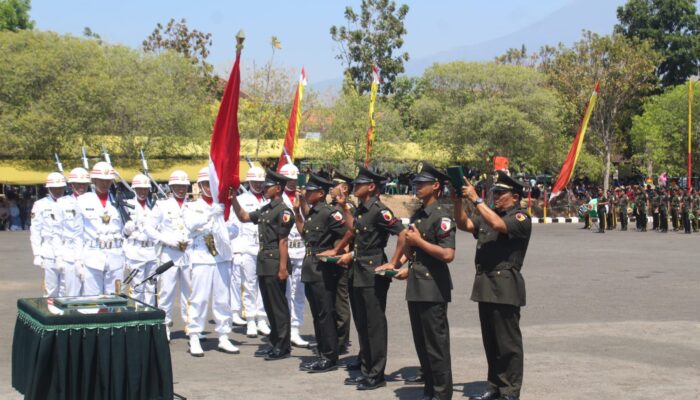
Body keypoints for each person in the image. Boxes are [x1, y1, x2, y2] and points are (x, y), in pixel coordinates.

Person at [319, 165, 406, 391]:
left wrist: (395, 262)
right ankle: (367, 368)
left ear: (371, 187)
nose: (354, 187)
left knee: (374, 324)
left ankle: (377, 374)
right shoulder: (361, 209)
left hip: (373, 270)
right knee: (362, 323)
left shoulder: (379, 210)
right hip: (358, 269)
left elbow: (403, 233)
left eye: (358, 184)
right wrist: (345, 207)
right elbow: (353, 230)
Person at [377, 162, 456, 400]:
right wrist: (397, 265)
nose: (417, 187)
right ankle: (430, 390)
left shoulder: (441, 216)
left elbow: (447, 254)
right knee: (422, 343)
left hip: (434, 288)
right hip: (418, 286)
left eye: (422, 183)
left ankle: (442, 394)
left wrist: (419, 242)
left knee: (436, 345)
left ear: (435, 186)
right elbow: (413, 252)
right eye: (416, 183)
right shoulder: (420, 214)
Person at [453, 170, 531, 400]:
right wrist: (459, 199)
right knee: (492, 342)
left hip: (505, 285)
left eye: (501, 193)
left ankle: (510, 391)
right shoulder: (489, 214)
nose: (496, 196)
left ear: (515, 197)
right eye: (494, 192)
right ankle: (496, 385)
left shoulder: (519, 218)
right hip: (485, 283)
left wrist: (476, 199)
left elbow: (498, 225)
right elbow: (464, 223)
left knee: (508, 343)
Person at [231, 169, 295, 361]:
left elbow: (283, 241)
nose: (265, 189)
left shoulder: (283, 211)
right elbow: (243, 217)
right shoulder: (266, 209)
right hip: (264, 262)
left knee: (278, 306)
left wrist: (283, 268)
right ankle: (275, 341)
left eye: (268, 186)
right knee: (268, 305)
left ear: (278, 188)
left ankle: (283, 345)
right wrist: (233, 199)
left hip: (276, 262)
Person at [294, 174, 348, 373]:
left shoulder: (329, 213)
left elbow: (350, 232)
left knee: (326, 313)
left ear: (321, 193)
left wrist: (339, 250)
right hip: (311, 266)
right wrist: (297, 211)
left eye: (310, 190)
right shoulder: (314, 212)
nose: (306, 193)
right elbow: (305, 234)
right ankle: (324, 350)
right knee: (318, 314)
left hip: (324, 268)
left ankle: (329, 357)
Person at [183, 167, 239, 357]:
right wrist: (210, 216)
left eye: (212, 184)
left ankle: (223, 335)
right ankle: (194, 335)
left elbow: (234, 229)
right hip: (201, 257)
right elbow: (190, 226)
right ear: (200, 186)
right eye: (206, 184)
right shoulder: (191, 206)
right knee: (199, 298)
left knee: (223, 299)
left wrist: (221, 229)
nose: (209, 187)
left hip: (221, 256)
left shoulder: (224, 205)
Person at [145, 170, 194, 341]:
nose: (181, 189)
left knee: (190, 291)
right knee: (167, 291)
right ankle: (164, 324)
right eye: (177, 186)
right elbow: (149, 228)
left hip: (188, 253)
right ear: (171, 187)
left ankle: (191, 324)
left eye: (184, 186)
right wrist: (166, 239)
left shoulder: (193, 206)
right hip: (170, 253)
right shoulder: (162, 205)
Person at [228, 166, 271, 338]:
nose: (258, 185)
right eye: (254, 182)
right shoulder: (241, 199)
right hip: (247, 247)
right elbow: (235, 225)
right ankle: (251, 319)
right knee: (250, 285)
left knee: (264, 285)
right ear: (249, 182)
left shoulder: (269, 199)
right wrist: (236, 251)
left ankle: (262, 318)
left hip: (265, 247)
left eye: (261, 182)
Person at [77, 162, 126, 295]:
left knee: (116, 300)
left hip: (115, 256)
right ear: (94, 180)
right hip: (92, 256)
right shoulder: (83, 201)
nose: (105, 184)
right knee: (92, 301)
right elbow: (78, 234)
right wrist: (78, 261)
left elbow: (123, 231)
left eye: (108, 180)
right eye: (101, 180)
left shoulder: (118, 201)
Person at [279, 163, 310, 348]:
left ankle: (295, 329)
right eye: (288, 180)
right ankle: (283, 328)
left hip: (301, 250)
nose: (291, 183)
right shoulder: (278, 198)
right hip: (285, 250)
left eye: (293, 179)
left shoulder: (304, 197)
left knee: (299, 293)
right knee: (284, 292)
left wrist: (303, 200)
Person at [30, 172, 68, 297]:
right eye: (54, 188)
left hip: (67, 249)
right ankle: (49, 313)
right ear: (49, 188)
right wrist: (37, 253)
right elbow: (35, 231)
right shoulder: (40, 205)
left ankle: (64, 316)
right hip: (49, 250)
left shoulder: (70, 203)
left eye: (60, 188)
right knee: (50, 289)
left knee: (66, 288)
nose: (58, 190)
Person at [123, 174, 159, 305]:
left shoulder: (155, 207)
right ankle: (137, 315)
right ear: (134, 189)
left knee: (151, 286)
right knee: (136, 286)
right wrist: (127, 230)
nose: (142, 192)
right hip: (135, 250)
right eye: (139, 189)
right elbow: (123, 231)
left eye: (145, 189)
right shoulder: (128, 205)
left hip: (151, 251)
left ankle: (149, 313)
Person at [330, 171, 355, 356]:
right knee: (331, 301)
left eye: (335, 185)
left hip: (342, 259)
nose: (331, 188)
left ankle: (341, 340)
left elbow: (352, 231)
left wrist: (341, 250)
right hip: (330, 258)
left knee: (340, 302)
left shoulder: (349, 207)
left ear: (344, 188)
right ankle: (333, 337)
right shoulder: (331, 206)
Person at [57, 167, 91, 296]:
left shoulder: (94, 202)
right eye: (78, 184)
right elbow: (57, 232)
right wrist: (58, 256)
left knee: (91, 296)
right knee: (72, 294)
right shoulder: (62, 203)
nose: (81, 187)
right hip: (70, 254)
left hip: (90, 253)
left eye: (84, 184)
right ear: (71, 185)